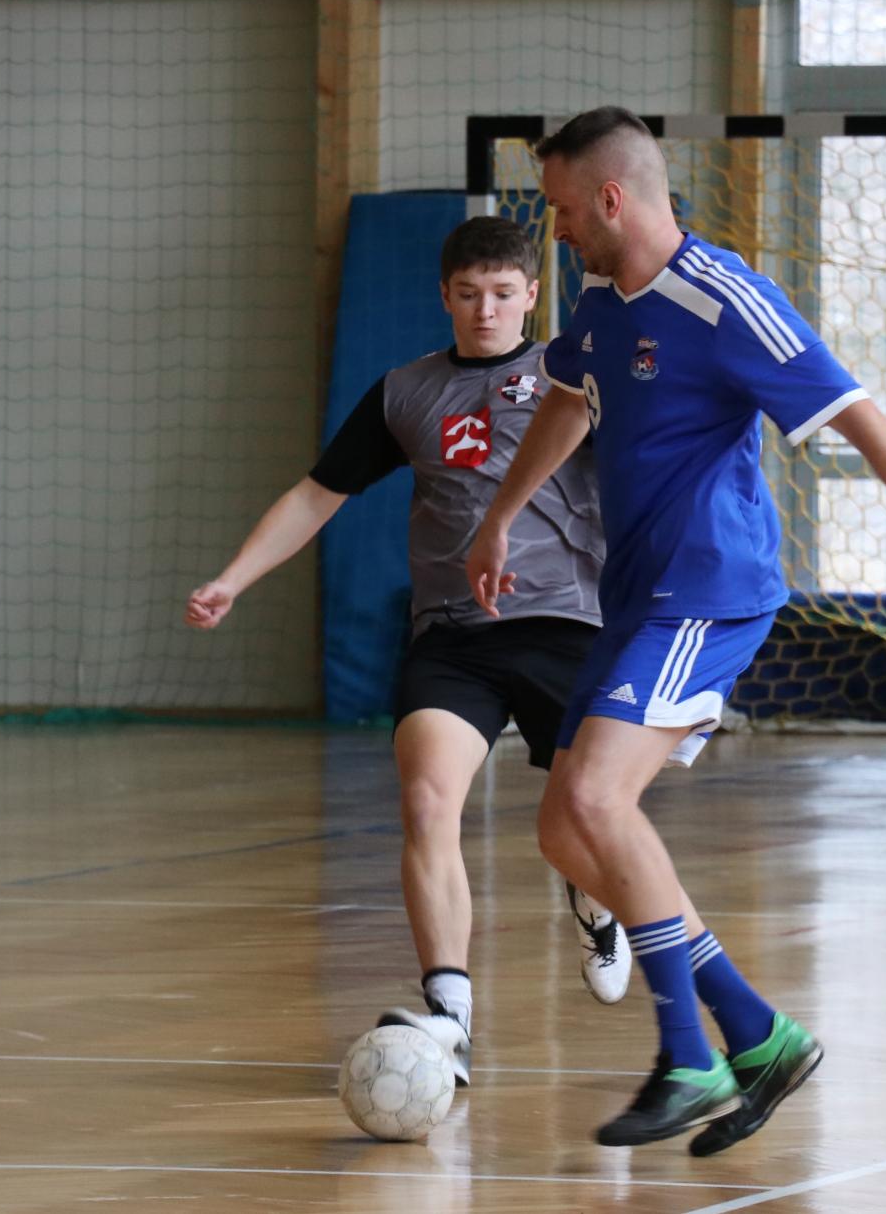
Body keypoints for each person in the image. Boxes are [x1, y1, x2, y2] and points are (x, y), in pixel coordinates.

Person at [466, 107, 886, 1151]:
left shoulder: (727, 298)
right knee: (563, 830)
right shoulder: (598, 297)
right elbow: (569, 393)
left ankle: (688, 1053)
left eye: (561, 208)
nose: (554, 229)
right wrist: (503, 512)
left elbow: (865, 421)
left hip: (710, 588)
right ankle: (759, 1035)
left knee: (596, 798)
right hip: (637, 596)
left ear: (610, 199)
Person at [186, 215, 633, 1090]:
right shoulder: (407, 392)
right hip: (454, 636)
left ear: (531, 295)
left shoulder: (571, 377)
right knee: (427, 801)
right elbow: (317, 495)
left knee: (584, 812)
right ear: (444, 297)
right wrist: (234, 578)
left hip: (566, 625)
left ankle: (592, 892)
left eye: (501, 294)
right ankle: (450, 1012)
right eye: (467, 294)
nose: (485, 310)